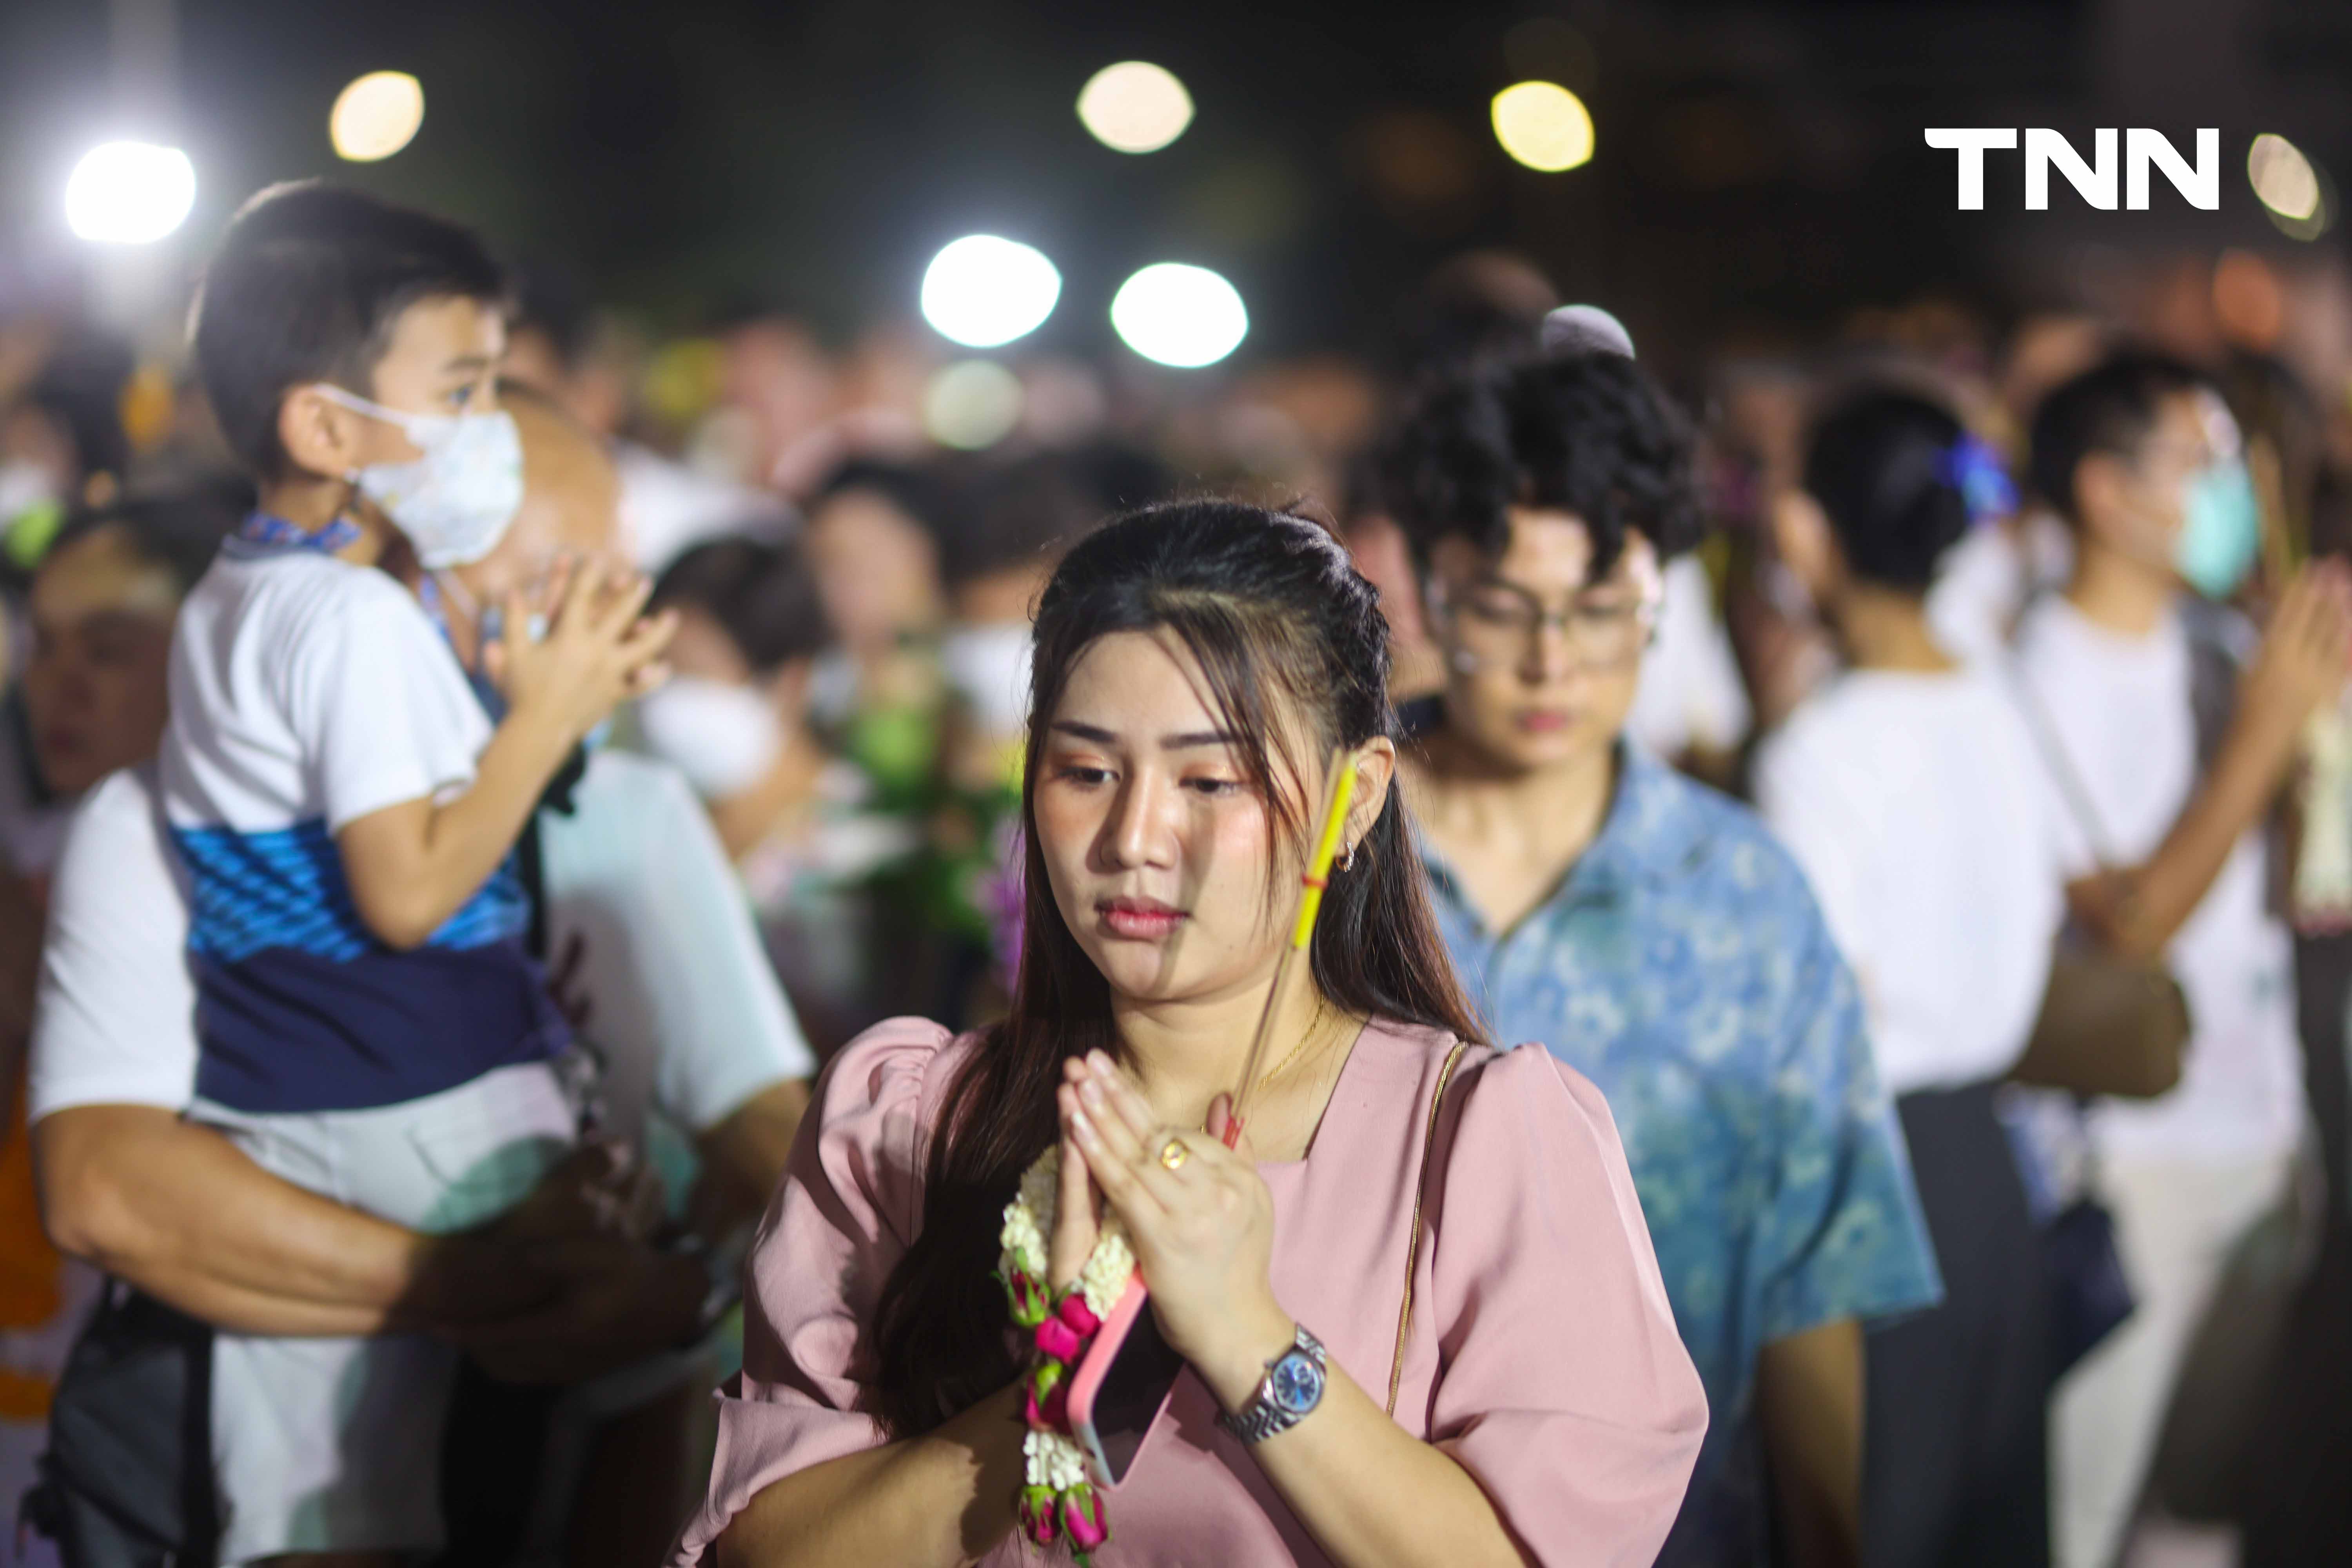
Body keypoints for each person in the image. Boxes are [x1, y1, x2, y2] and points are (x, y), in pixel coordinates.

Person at [675, 500, 1707, 1567]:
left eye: (1210, 781)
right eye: (1087, 773)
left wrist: (1248, 1337)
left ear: (1357, 800)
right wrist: (1070, 1375)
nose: (1134, 839)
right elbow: (771, 1550)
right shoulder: (913, 1121)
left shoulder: (1480, 1143)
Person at [31, 385, 816, 1568]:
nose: (620, 618)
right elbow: (107, 1190)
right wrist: (487, 1283)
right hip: (222, 1479)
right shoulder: (172, 828)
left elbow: (768, 1129)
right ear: (415, 587)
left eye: (622, 571)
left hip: (570, 1470)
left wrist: (687, 1291)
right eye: (567, 575)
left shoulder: (626, 810)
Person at [158, 181, 677, 1564]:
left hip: (278, 1090)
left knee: (294, 1510)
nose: (484, 429)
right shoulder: (353, 619)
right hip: (414, 1090)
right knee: (592, 1391)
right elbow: (406, 890)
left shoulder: (234, 593)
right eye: (460, 390)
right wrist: (546, 718)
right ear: (327, 426)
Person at [1375, 350, 1940, 1568]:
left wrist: (1826, 1539)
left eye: (1598, 610)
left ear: (1657, 601)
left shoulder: (1748, 898)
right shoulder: (1332, 860)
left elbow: (1810, 1280)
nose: (1551, 662)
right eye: (1500, 606)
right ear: (1425, 588)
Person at [2015, 351, 2352, 1568]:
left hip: (2263, 1134)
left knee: (2202, 1514)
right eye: (2199, 462)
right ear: (2106, 493)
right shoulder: (2034, 678)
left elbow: (2296, 873)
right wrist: (2264, 737)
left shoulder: (2219, 647)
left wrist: (2309, 734)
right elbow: (2137, 918)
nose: (2227, 489)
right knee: (2083, 1511)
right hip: (2130, 1165)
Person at [1753, 390, 2062, 1566]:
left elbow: (1831, 1007)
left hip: (1875, 1170)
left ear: (1806, 534)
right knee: (1995, 1521)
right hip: (1992, 1162)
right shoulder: (1997, 696)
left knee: (1882, 1519)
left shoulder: (1819, 751)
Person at [639, 535, 910, 1058]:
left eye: (691, 677)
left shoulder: (861, 845)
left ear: (790, 681)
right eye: (654, 669)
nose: (660, 699)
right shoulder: (662, 818)